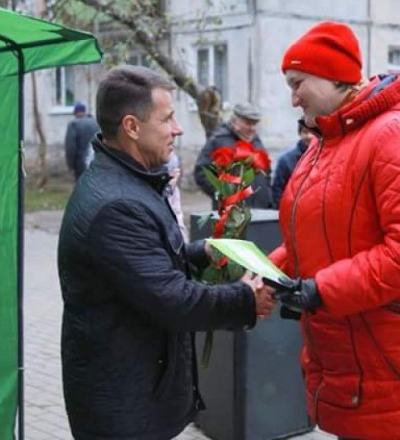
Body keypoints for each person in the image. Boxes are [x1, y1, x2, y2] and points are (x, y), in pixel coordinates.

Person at [269, 21, 400, 440]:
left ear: (331, 77)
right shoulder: (329, 141)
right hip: (357, 348)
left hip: (394, 354)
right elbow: (310, 236)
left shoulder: (394, 134)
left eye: (297, 83)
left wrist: (322, 290)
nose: (292, 99)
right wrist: (261, 270)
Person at [57, 66, 275, 440]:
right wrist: (244, 299)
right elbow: (171, 300)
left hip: (133, 391)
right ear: (132, 126)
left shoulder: (129, 182)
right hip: (122, 407)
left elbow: (142, 267)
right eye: (168, 118)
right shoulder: (117, 204)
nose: (178, 128)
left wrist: (200, 252)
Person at [193, 103, 274, 209]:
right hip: (231, 214)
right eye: (248, 123)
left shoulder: (257, 142)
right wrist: (221, 193)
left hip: (259, 209)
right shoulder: (219, 140)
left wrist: (267, 197)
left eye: (255, 124)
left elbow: (266, 173)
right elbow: (201, 171)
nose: (252, 128)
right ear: (235, 121)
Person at [272, 119, 314, 207]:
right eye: (305, 132)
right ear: (300, 134)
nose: (309, 136)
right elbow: (278, 192)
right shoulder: (286, 161)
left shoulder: (324, 158)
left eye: (313, 132)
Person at [64, 101, 99, 180]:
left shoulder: (74, 124)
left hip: (81, 164)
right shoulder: (96, 123)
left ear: (76, 112)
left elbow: (70, 147)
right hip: (96, 162)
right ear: (84, 111)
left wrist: (70, 166)